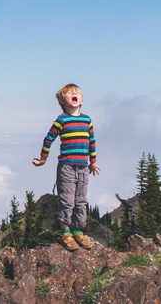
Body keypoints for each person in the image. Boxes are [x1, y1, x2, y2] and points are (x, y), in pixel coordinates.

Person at [32, 83, 101, 251]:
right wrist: (43, 159)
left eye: (77, 92)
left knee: (81, 200)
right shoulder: (61, 120)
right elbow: (48, 139)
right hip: (66, 167)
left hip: (83, 167)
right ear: (62, 101)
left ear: (82, 100)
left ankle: (78, 231)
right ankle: (66, 233)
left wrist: (93, 162)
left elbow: (91, 141)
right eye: (70, 93)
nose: (75, 93)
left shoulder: (87, 120)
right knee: (67, 200)